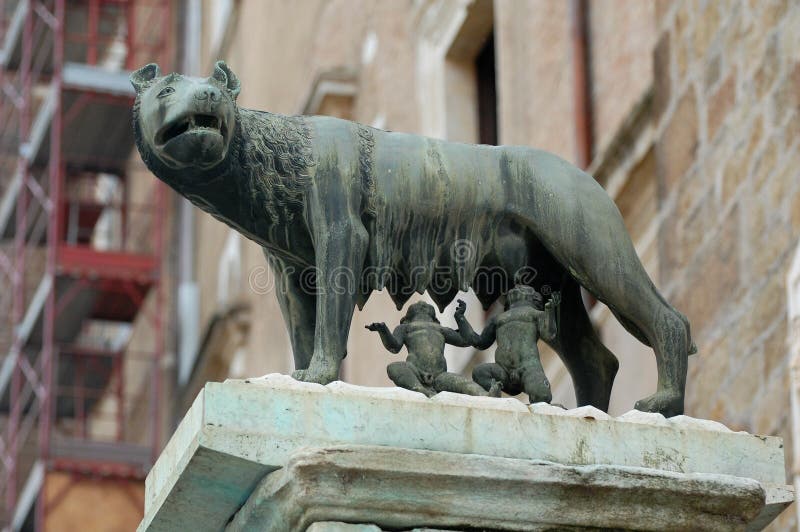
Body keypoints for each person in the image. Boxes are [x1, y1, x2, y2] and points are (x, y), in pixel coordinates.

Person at [366, 301, 500, 398]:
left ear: (435, 318)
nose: (422, 303)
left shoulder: (441, 330)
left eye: (425, 306)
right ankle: (421, 390)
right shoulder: (405, 328)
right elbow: (394, 346)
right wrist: (383, 331)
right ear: (407, 318)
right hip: (416, 372)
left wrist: (460, 317)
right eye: (418, 306)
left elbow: (465, 341)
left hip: (440, 376)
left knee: (464, 383)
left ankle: (486, 394)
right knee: (394, 368)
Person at [456, 286, 560, 403]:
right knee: (479, 372)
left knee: (542, 396)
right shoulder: (497, 319)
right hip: (503, 372)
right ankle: (494, 397)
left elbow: (549, 334)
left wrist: (550, 312)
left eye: (522, 290)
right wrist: (461, 319)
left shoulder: (535, 314)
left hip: (528, 369)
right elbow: (480, 342)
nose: (516, 290)